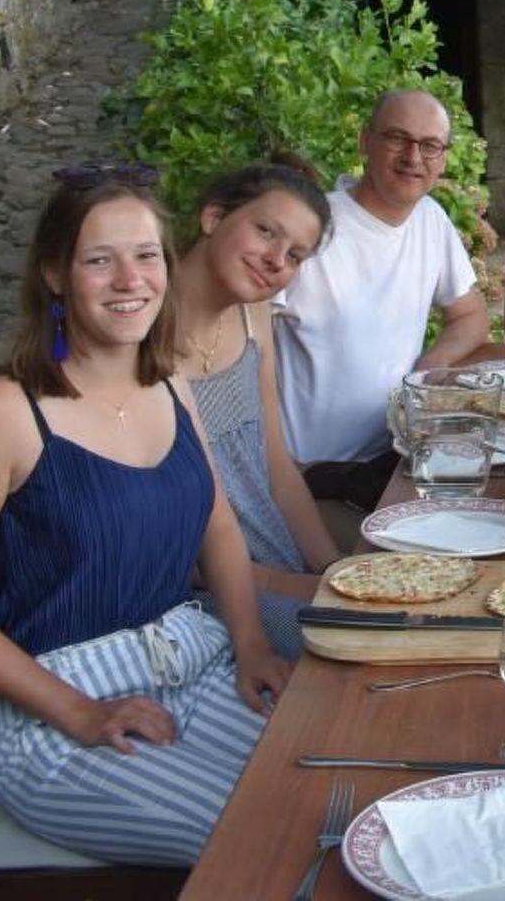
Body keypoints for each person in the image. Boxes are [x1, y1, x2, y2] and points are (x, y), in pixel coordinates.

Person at [0, 164, 288, 866]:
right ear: (54, 274)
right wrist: (80, 712)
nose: (129, 280)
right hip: (62, 716)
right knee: (269, 842)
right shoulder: (3, 415)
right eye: (99, 261)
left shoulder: (168, 383)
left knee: (331, 787)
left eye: (146, 256)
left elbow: (217, 525)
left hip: (195, 669)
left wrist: (251, 642)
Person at [275, 89, 489, 510]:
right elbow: (240, 347)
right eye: (397, 138)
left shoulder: (430, 219)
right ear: (365, 141)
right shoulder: (313, 227)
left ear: (443, 158)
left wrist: (430, 366)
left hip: (396, 461)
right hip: (315, 479)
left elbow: (470, 314)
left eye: (429, 145)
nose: (413, 157)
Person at [171, 161, 340, 656]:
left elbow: (276, 466)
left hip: (276, 555)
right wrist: (301, 589)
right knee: (356, 649)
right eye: (266, 231)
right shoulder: (142, 332)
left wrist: (334, 571)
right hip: (203, 592)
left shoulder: (252, 315)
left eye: (295, 255)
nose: (275, 260)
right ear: (212, 217)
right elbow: (166, 536)